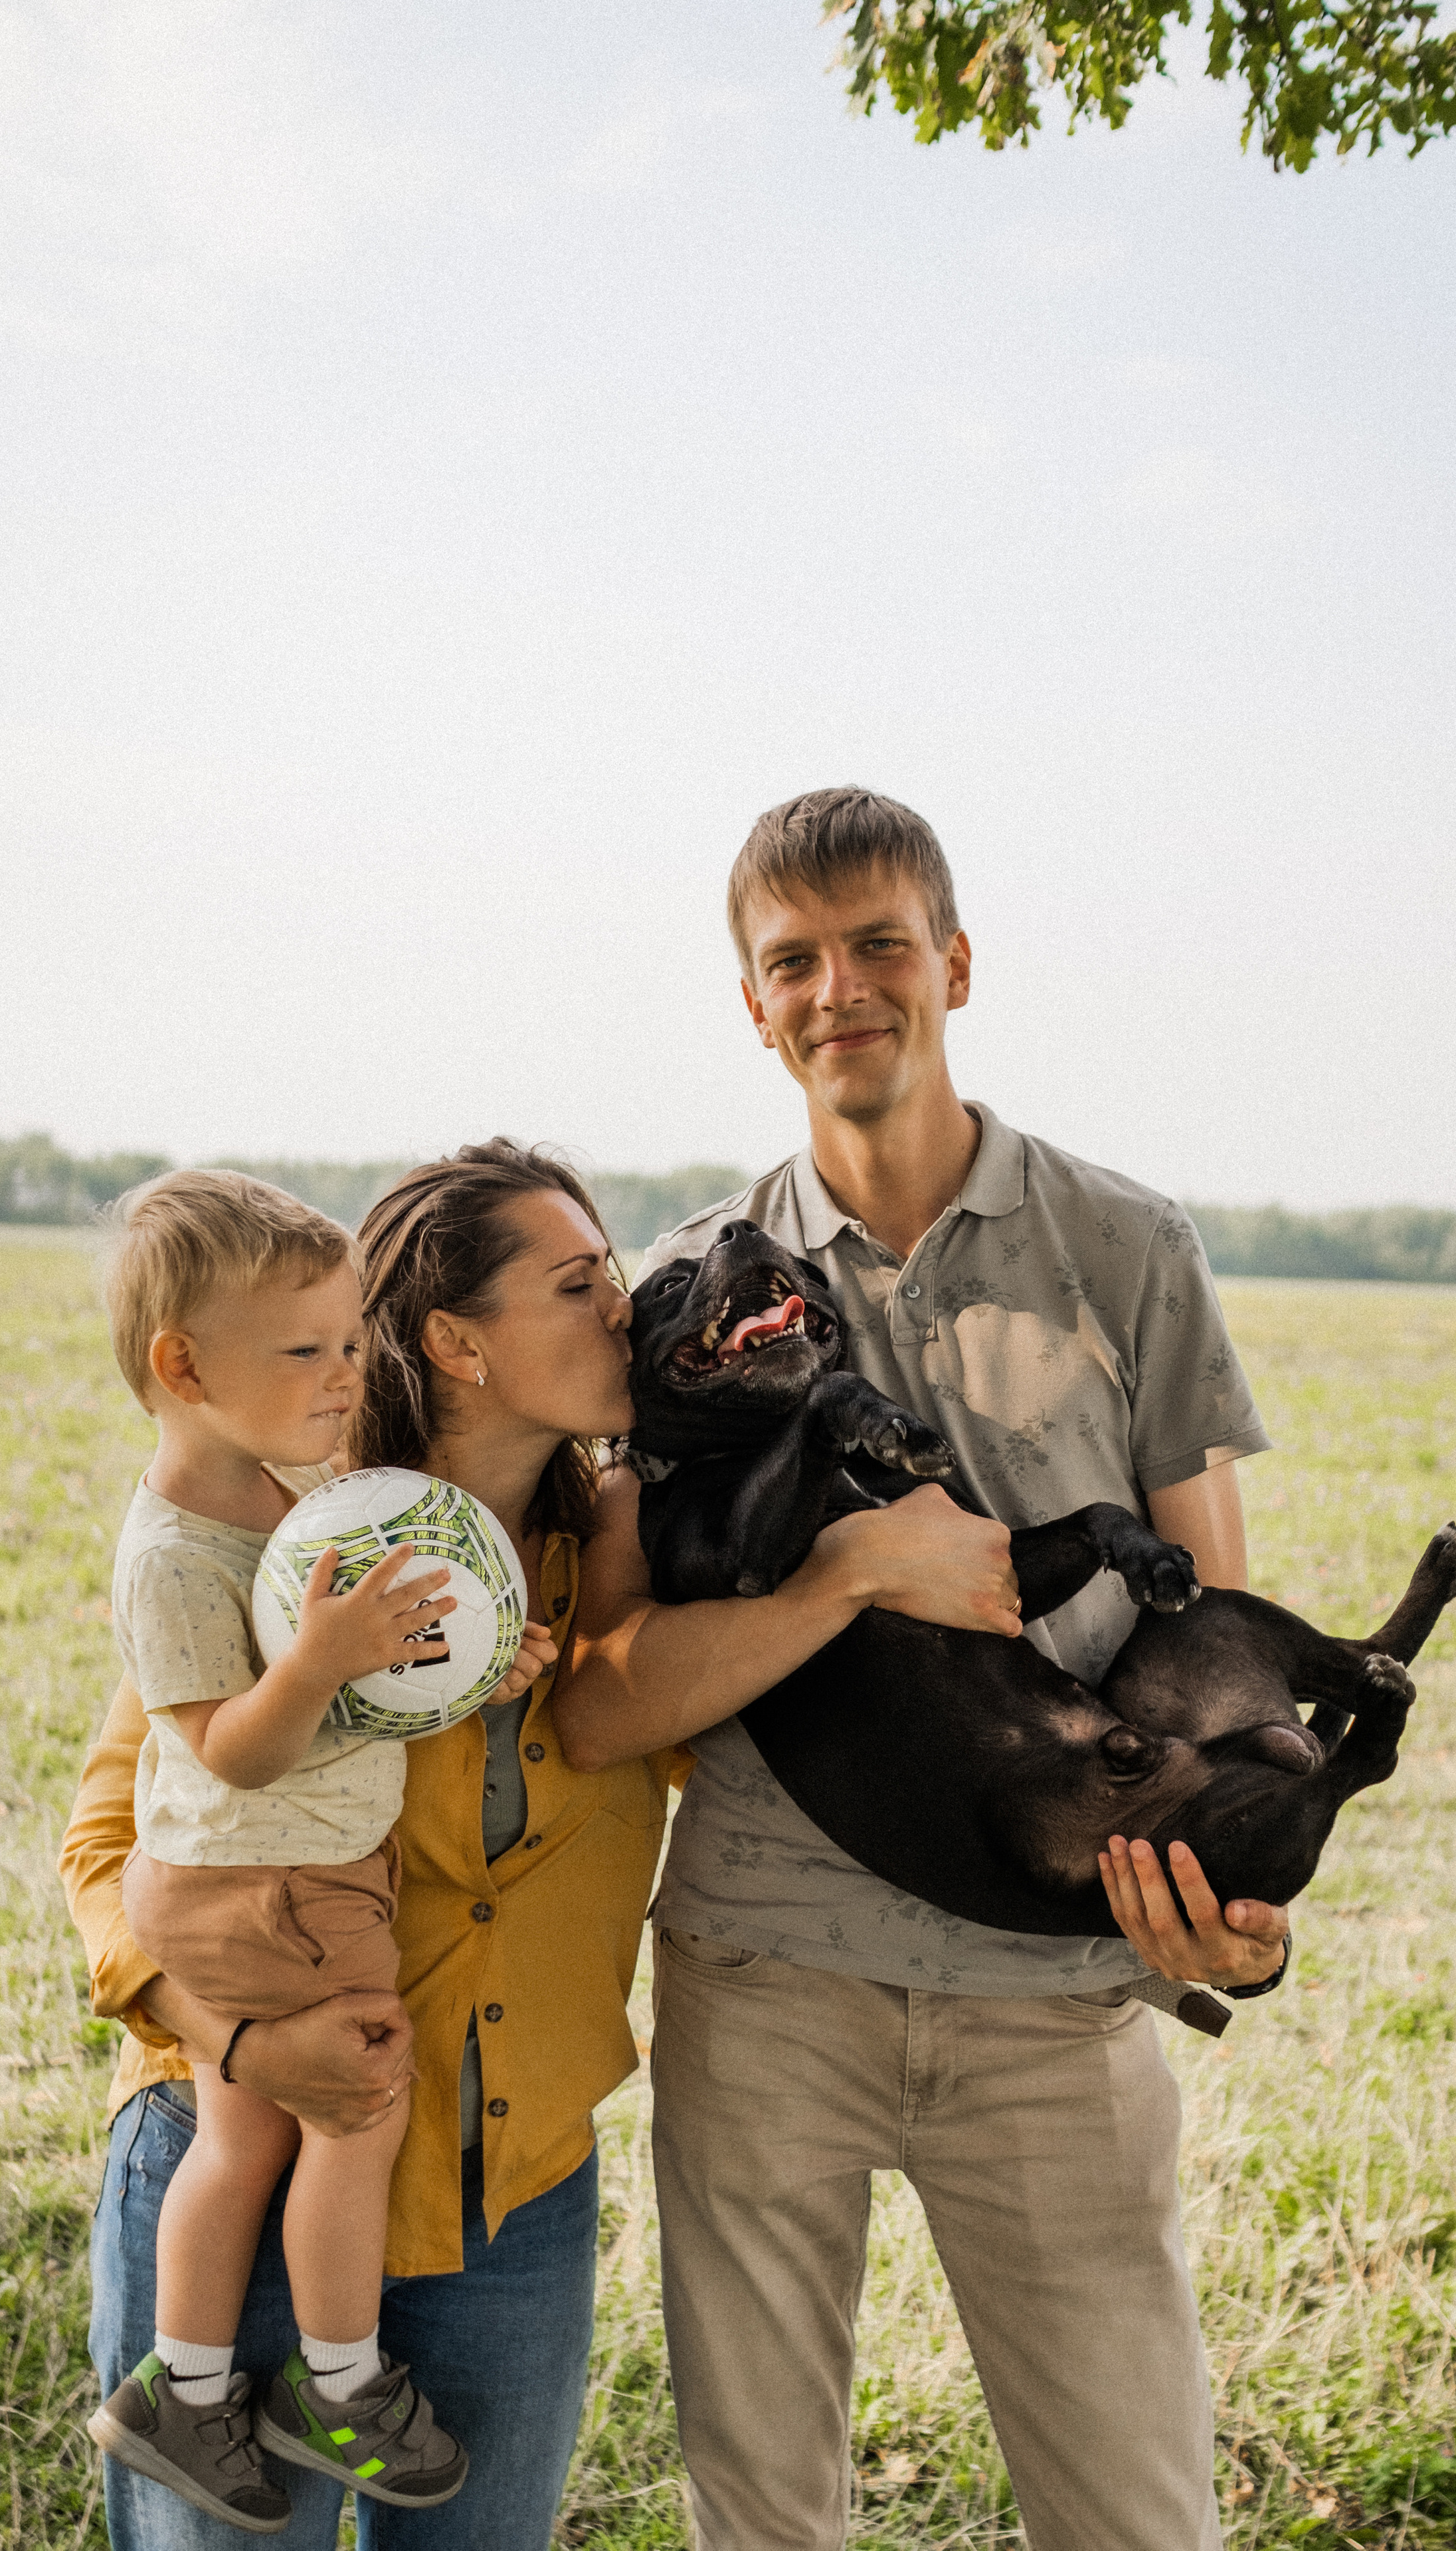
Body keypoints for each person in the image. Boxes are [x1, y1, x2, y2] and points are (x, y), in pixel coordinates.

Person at [62, 1137, 1006, 2551]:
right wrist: (244, 2045)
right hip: (246, 2160)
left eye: (611, 1278)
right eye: (576, 1286)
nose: (621, 1312)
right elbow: (110, 1844)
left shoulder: (625, 1566)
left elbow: (646, 1718)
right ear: (458, 1342)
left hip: (514, 2197)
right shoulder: (301, 1548)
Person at [555, 787, 1294, 2551]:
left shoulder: (1127, 1250)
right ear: (754, 1004)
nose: (841, 989)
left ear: (953, 961)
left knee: (1136, 2519)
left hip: (1054, 2005)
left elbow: (1211, 1642)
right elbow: (606, 1689)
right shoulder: (675, 1301)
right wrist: (853, 1573)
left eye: (880, 943)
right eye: (792, 960)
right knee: (764, 2522)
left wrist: (1238, 1895)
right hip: (763, 1990)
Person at [86, 1169, 556, 2527]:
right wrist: (319, 1656)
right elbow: (230, 1743)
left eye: (353, 1341)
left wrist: (466, 1666)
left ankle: (183, 2385)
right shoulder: (173, 1553)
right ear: (183, 1364)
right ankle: (335, 2387)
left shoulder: (284, 1497)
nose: (348, 1373)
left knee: (242, 2144)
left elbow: (358, 1690)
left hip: (269, 1875)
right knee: (358, 2112)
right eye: (308, 1350)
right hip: (268, 1884)